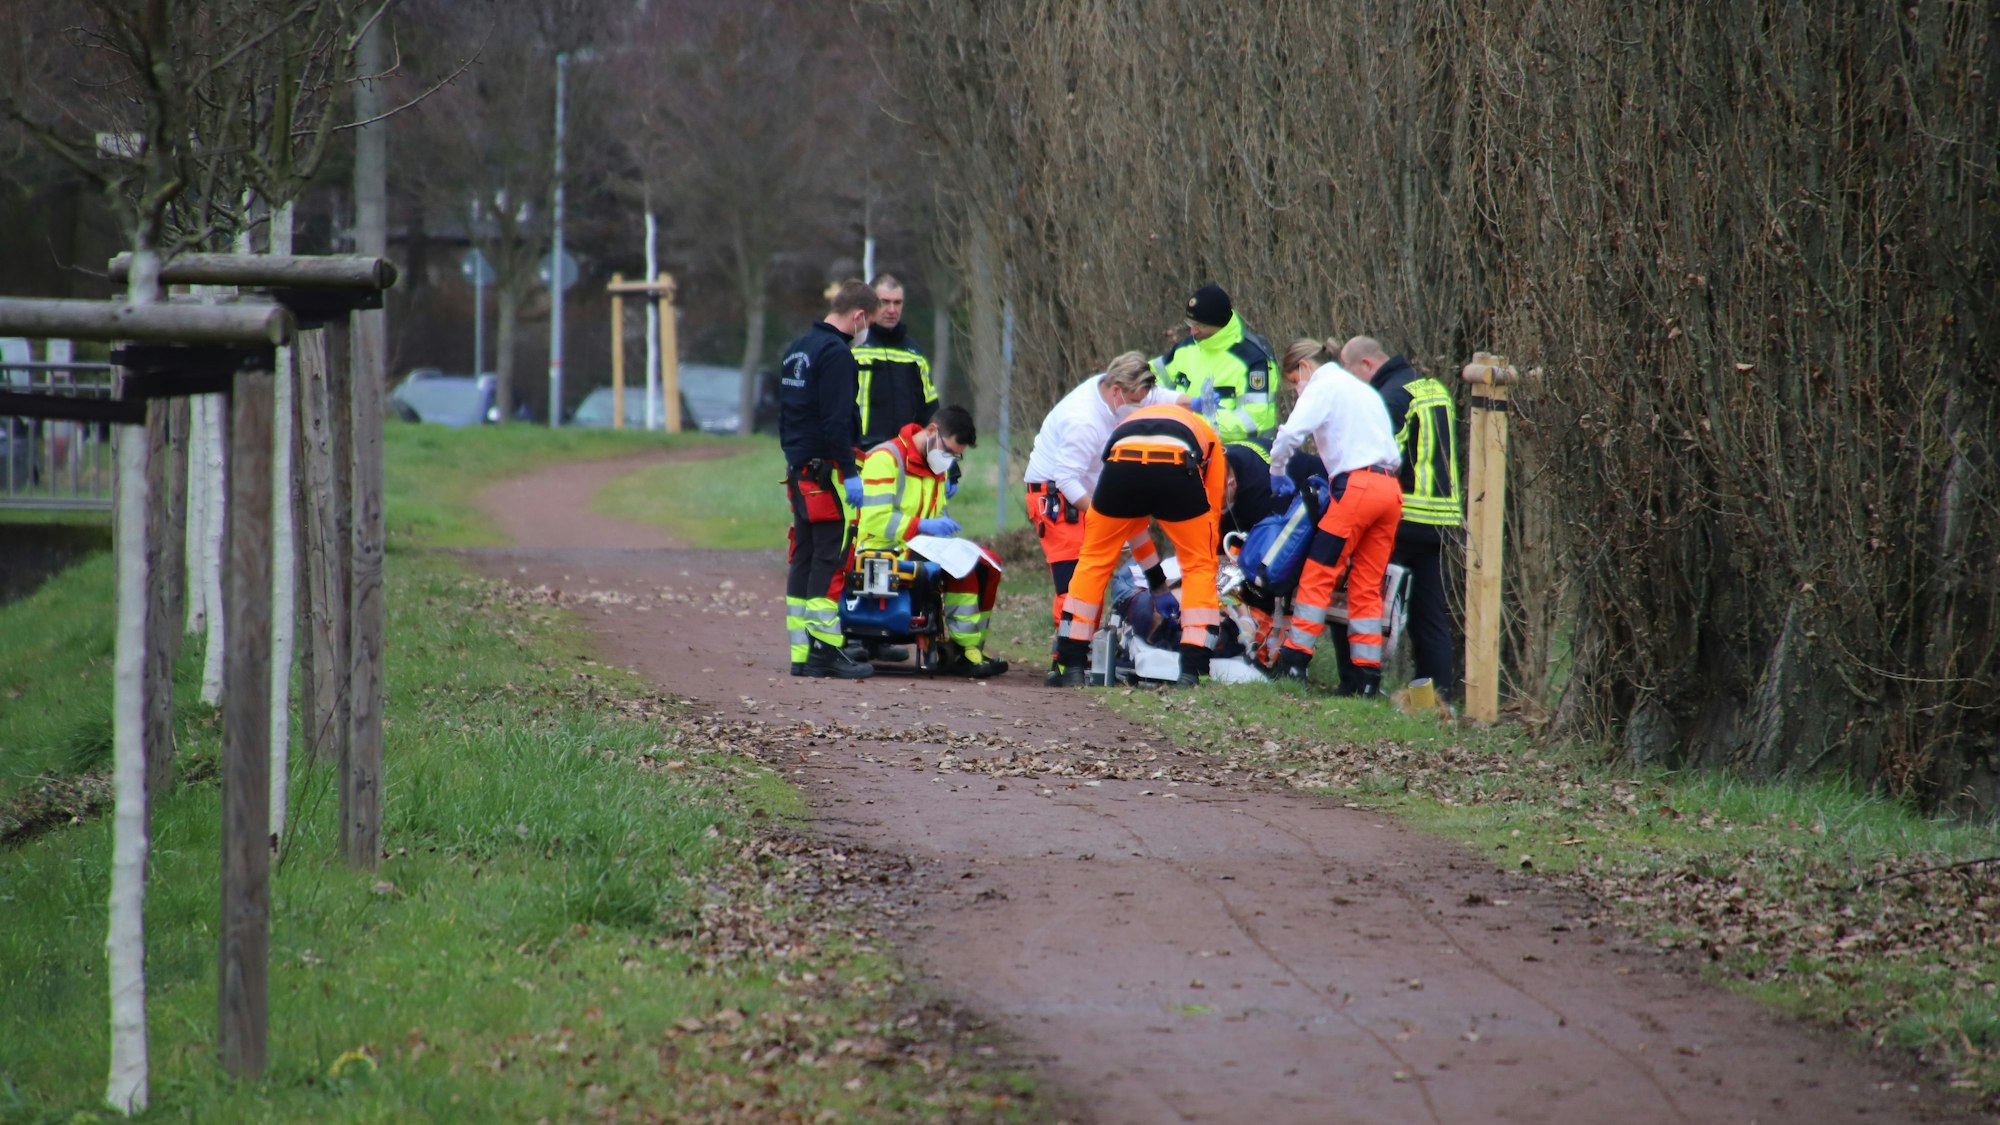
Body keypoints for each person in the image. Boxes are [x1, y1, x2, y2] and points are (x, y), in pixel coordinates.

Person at [1021, 352, 1191, 653]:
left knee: (1133, 527)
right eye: (1135, 402)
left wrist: (1189, 404)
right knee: (1075, 582)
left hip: (1094, 484)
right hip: (1057, 498)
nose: (1140, 408)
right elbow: (1067, 479)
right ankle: (1066, 656)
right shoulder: (1084, 420)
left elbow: (1156, 398)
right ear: (1117, 392)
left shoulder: (1122, 391)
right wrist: (1104, 513)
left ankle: (1157, 588)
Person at [1048, 402, 1227, 688]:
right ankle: (1193, 671)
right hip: (1177, 465)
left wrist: (1156, 580)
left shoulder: (1128, 424)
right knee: (1199, 565)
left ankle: (1070, 665)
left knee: (1093, 562)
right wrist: (1203, 545)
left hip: (1121, 464)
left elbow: (1130, 523)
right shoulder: (1208, 434)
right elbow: (1212, 509)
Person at [1266, 338, 1403, 696]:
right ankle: (1367, 678)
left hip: (1355, 488)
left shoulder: (1323, 384)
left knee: (1318, 571)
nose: (1297, 390)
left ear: (1305, 368)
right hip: (1389, 492)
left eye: (1295, 381)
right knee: (1367, 586)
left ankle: (1294, 661)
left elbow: (1291, 434)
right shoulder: (1362, 391)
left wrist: (1277, 470)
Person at [1340, 336, 1461, 701]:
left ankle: (1357, 683)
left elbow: (1377, 456)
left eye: (1352, 374)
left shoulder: (1387, 398)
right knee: (1430, 617)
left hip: (1402, 514)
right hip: (1441, 518)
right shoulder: (1433, 388)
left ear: (1366, 365)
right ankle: (1437, 699)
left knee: (1361, 596)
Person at [855, 404, 1007, 678]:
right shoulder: (886, 458)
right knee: (964, 568)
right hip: (883, 551)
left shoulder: (936, 465)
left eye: (955, 457)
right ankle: (964, 651)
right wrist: (922, 525)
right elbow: (873, 520)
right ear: (932, 431)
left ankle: (970, 648)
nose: (948, 460)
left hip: (919, 547)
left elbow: (935, 514)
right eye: (948, 451)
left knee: (989, 563)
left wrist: (940, 527)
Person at [779, 279, 879, 679]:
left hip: (798, 470)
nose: (865, 330)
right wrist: (851, 473)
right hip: (823, 473)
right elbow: (836, 422)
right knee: (829, 555)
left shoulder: (797, 349)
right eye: (867, 322)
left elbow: (788, 416)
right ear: (857, 316)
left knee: (803, 556)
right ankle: (825, 648)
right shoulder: (837, 354)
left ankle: (802, 653)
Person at [1155, 284, 1277, 443]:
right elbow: (1148, 380)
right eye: (1190, 323)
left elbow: (1252, 421)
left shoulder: (1252, 360)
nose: (1193, 331)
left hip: (1234, 455)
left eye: (1200, 325)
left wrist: (1192, 422)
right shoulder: (1186, 348)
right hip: (1182, 445)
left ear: (1219, 324)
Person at [851, 273, 939, 451]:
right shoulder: (852, 348)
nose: (892, 310)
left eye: (897, 303)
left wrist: (948, 469)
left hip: (905, 457)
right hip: (862, 456)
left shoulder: (915, 355)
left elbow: (931, 413)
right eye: (884, 302)